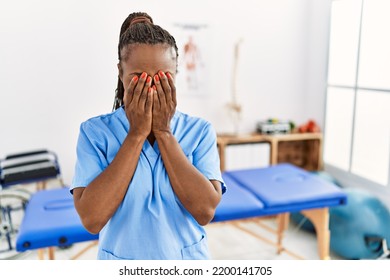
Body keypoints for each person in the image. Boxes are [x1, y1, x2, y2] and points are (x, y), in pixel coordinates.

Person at [71, 12, 226, 260]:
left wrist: (163, 132)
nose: (151, 88)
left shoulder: (200, 131)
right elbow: (92, 219)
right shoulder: (94, 133)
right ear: (121, 72)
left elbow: (205, 211)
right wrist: (136, 134)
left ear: (176, 73)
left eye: (163, 78)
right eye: (139, 78)